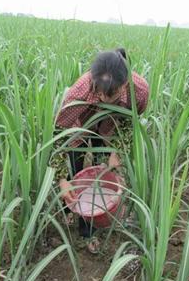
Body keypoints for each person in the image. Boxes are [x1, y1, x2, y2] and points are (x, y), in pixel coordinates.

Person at [55, 48, 149, 247]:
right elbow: (58, 133)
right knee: (75, 172)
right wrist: (62, 179)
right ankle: (76, 220)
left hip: (110, 128)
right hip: (79, 125)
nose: (105, 99)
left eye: (112, 94)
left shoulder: (139, 91)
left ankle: (94, 223)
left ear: (124, 84)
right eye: (100, 93)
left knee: (104, 170)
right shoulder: (79, 92)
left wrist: (116, 151)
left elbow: (130, 122)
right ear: (93, 81)